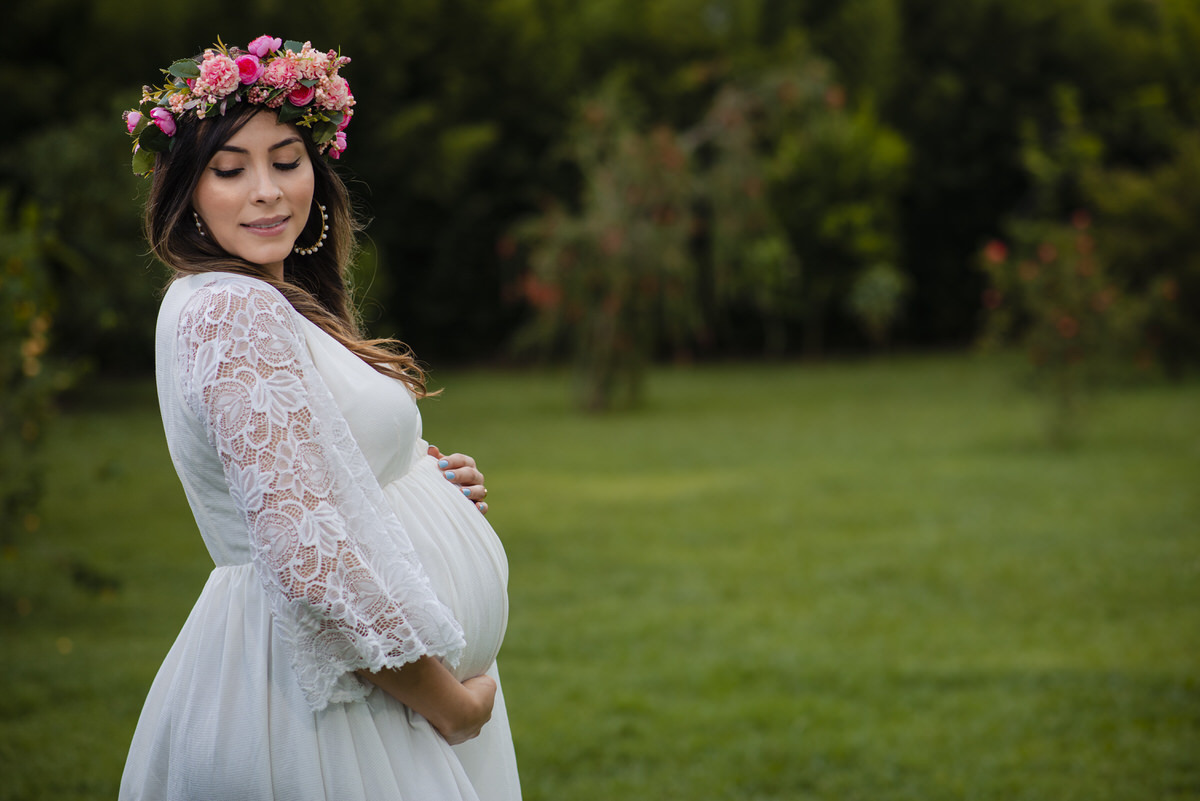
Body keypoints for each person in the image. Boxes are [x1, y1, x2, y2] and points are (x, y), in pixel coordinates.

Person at [118, 36, 521, 800]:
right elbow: (312, 564)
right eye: (229, 170)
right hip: (339, 702)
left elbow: (310, 464)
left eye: (287, 160)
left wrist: (422, 481)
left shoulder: (256, 301)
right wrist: (454, 704)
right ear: (186, 192)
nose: (267, 190)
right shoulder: (232, 310)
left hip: (375, 686)